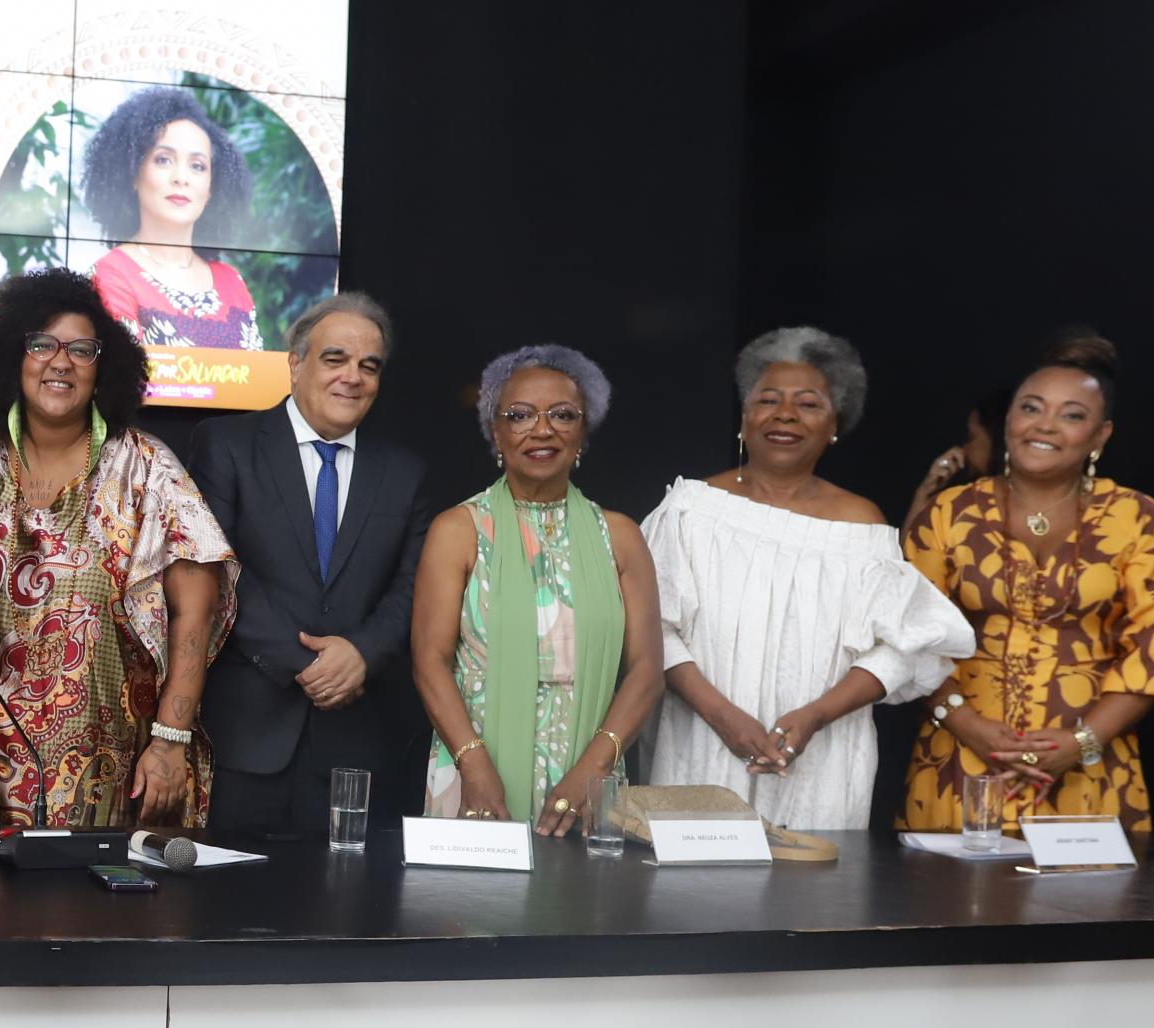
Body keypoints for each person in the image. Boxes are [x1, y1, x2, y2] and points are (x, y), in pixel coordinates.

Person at [0, 270, 237, 828]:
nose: (60, 363)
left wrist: (170, 739)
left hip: (111, 764)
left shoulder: (145, 467)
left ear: (103, 368)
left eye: (81, 350)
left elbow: (196, 612)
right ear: (14, 357)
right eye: (42, 345)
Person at [641, 327, 973, 830]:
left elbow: (905, 646)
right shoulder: (690, 510)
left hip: (823, 761)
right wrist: (722, 716)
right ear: (745, 417)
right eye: (768, 399)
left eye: (808, 404)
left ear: (835, 425)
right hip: (700, 744)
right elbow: (651, 629)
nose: (786, 414)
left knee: (812, 879)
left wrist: (816, 715)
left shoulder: (861, 525)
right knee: (696, 873)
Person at [901, 336, 1154, 835]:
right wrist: (968, 726)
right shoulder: (950, 513)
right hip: (962, 761)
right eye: (1031, 408)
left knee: (1085, 889)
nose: (1045, 425)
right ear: (1009, 419)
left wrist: (1082, 742)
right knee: (952, 886)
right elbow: (907, 633)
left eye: (1071, 415)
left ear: (1101, 435)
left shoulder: (1137, 517)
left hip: (1090, 769)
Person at [181, 292, 434, 838]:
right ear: (295, 363)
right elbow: (216, 571)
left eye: (369, 366)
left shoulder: (405, 472)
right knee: (233, 890)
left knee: (347, 891)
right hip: (247, 739)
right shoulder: (226, 445)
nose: (353, 377)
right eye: (335, 358)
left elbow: (412, 586)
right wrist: (308, 663)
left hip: (357, 747)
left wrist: (362, 653)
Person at [409, 343, 664, 836]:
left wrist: (592, 771)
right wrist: (474, 767)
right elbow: (429, 662)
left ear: (583, 431)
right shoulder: (459, 530)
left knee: (582, 890)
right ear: (495, 431)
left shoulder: (621, 537)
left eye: (562, 415)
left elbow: (647, 671)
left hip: (590, 777)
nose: (542, 429)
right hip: (476, 773)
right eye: (520, 415)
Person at [81, 85, 259, 351]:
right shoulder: (111, 275)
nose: (181, 178)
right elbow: (125, 371)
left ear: (212, 188)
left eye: (197, 166)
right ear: (132, 173)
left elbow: (258, 373)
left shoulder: (232, 281)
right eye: (164, 160)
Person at [900, 385, 1016, 534]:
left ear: (997, 439)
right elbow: (912, 547)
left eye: (971, 437)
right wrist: (923, 496)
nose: (964, 449)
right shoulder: (958, 504)